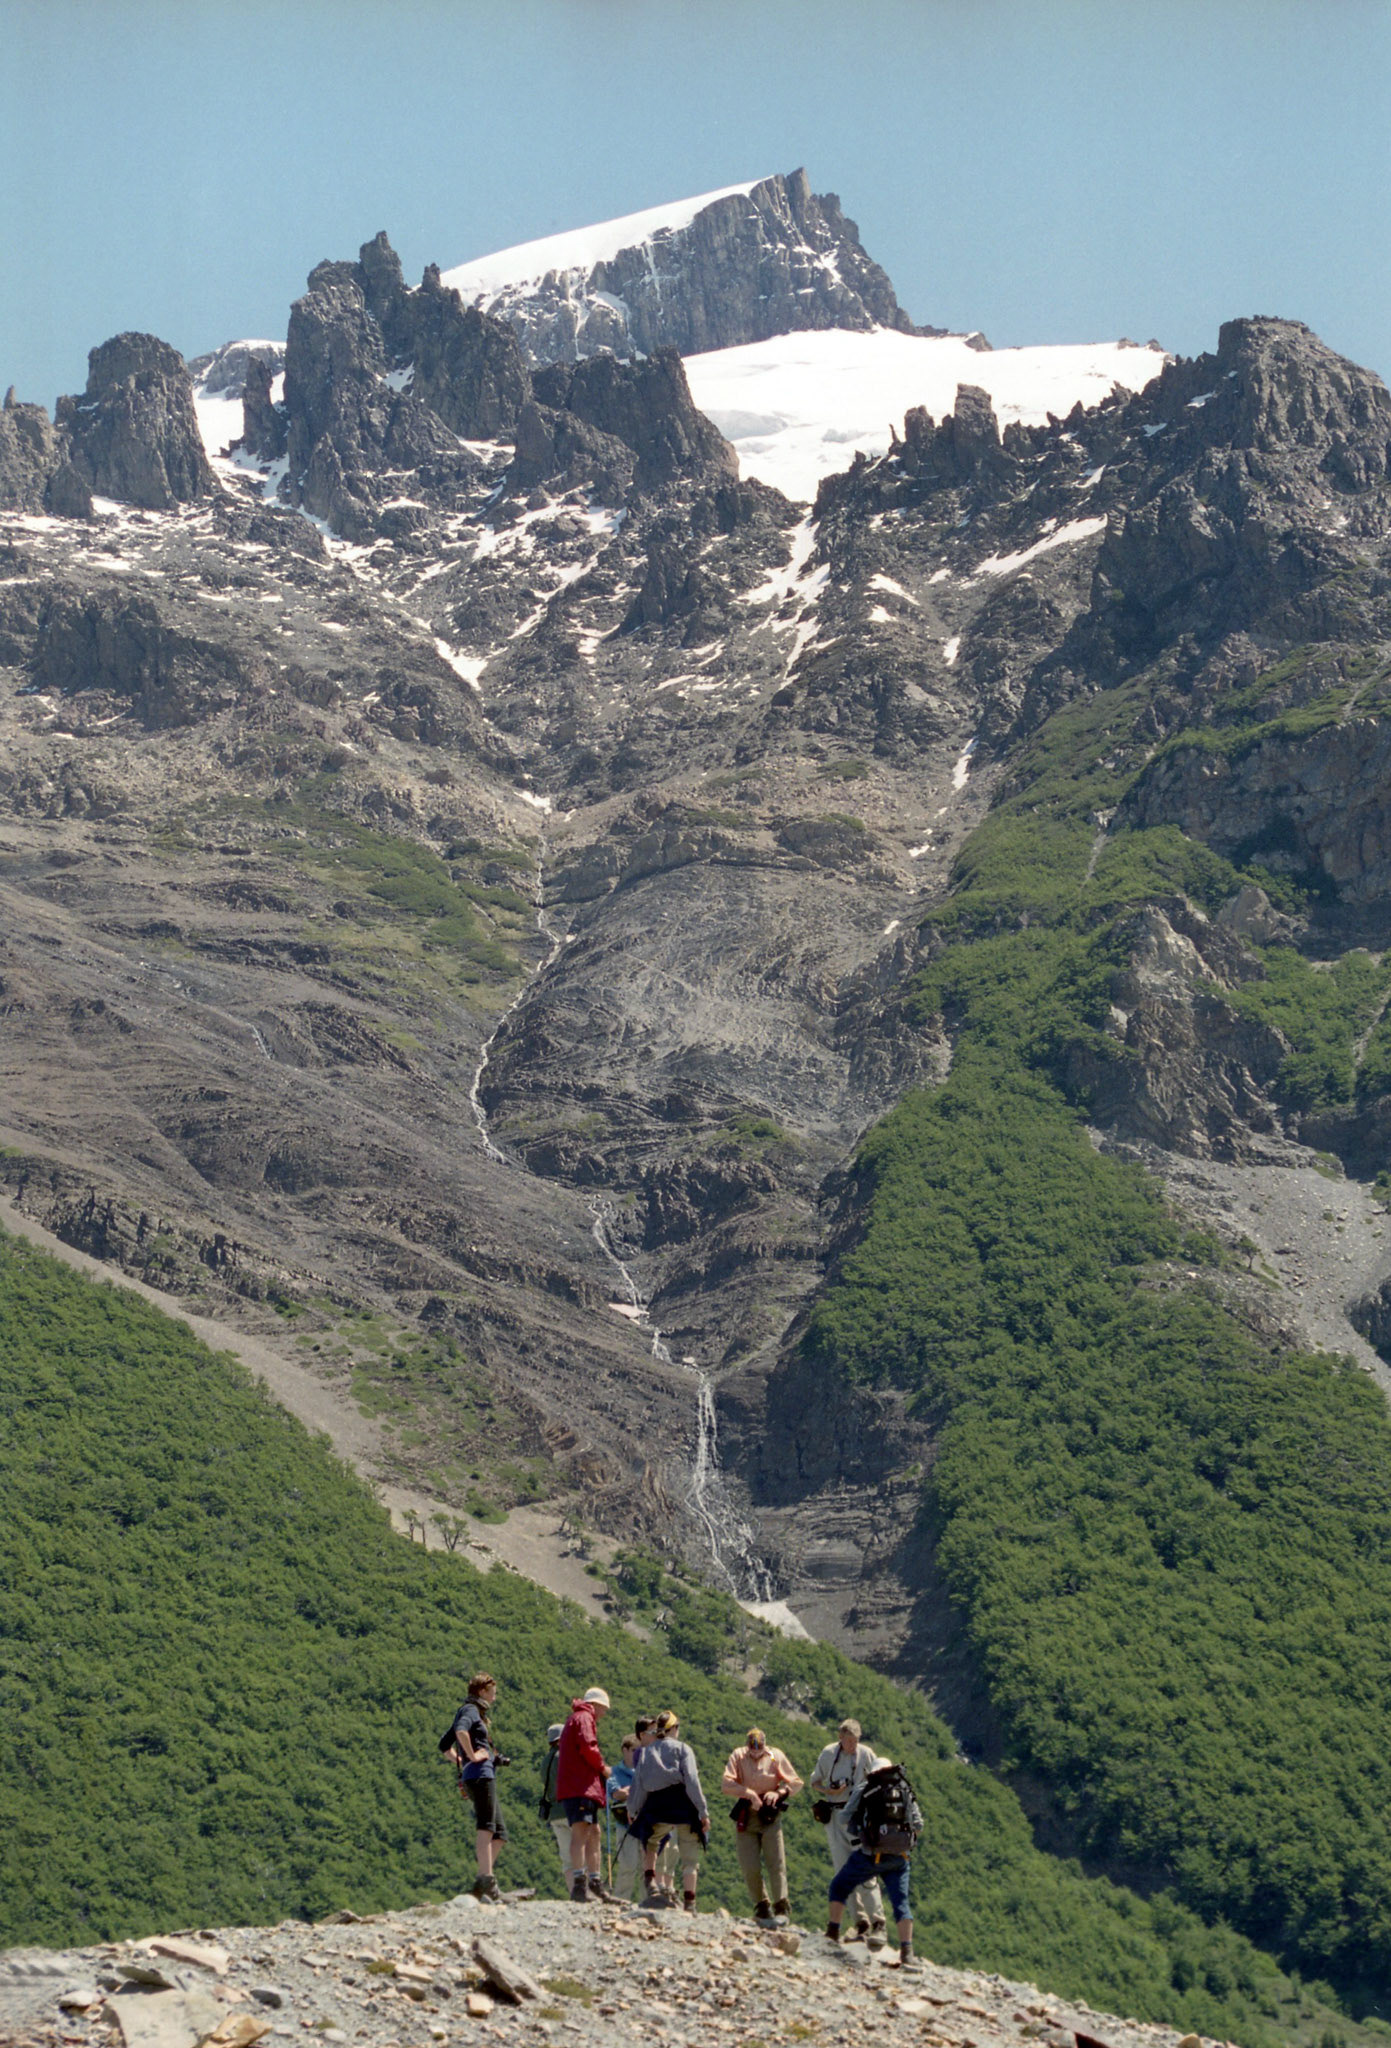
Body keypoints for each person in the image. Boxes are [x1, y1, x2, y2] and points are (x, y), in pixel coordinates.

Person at [825, 1757, 924, 1972]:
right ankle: (907, 1952)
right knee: (901, 1903)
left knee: (839, 1886)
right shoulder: (904, 1788)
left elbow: (843, 1819)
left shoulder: (865, 1787)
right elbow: (918, 1824)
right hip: (899, 1858)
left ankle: (832, 1934)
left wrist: (861, 1828)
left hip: (870, 1855)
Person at [809, 1718, 886, 1948]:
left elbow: (880, 1783)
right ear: (840, 1738)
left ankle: (878, 1922)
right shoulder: (828, 1754)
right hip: (834, 1817)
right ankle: (860, 1921)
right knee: (843, 1871)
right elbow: (814, 1781)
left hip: (858, 1818)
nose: (853, 1746)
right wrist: (829, 1790)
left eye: (856, 1741)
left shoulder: (867, 1755)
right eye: (849, 1741)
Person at [627, 1709, 709, 1913]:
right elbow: (692, 1781)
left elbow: (639, 1784)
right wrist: (702, 1811)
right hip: (683, 1803)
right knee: (690, 1856)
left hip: (656, 1804)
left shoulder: (646, 1752)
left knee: (651, 1841)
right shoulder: (683, 1749)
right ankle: (690, 1902)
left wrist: (633, 1809)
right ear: (673, 1728)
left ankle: (650, 1881)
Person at [721, 1726, 803, 1924]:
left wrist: (779, 1793)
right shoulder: (739, 1756)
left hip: (769, 1814)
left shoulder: (775, 1756)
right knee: (749, 1865)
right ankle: (761, 1903)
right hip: (747, 1813)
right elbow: (726, 1784)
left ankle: (781, 1904)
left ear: (765, 1745)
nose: (756, 1752)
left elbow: (796, 1782)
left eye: (760, 1748)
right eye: (753, 1748)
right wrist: (748, 1793)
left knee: (776, 1861)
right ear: (747, 1746)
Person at [447, 1672, 509, 1902]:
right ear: (482, 1691)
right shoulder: (470, 1711)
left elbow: (444, 1745)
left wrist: (462, 1760)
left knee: (499, 1833)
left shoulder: (469, 1711)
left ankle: (482, 1878)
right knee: (487, 1827)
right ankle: (487, 1882)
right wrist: (473, 1757)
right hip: (481, 1775)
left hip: (476, 1774)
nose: (494, 1698)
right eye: (492, 1693)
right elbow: (460, 1732)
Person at [556, 1686, 612, 1901]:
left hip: (581, 1786)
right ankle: (581, 1884)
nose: (603, 1714)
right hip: (580, 1786)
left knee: (593, 1831)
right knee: (581, 1832)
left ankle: (594, 1882)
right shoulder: (584, 1718)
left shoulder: (575, 1718)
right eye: (603, 1709)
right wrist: (603, 1768)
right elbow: (589, 1746)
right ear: (595, 1704)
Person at [537, 1721, 571, 1885]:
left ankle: (573, 1891)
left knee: (567, 1858)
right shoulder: (564, 1757)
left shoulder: (545, 1761)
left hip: (555, 1814)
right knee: (581, 1852)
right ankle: (586, 1891)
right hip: (570, 1810)